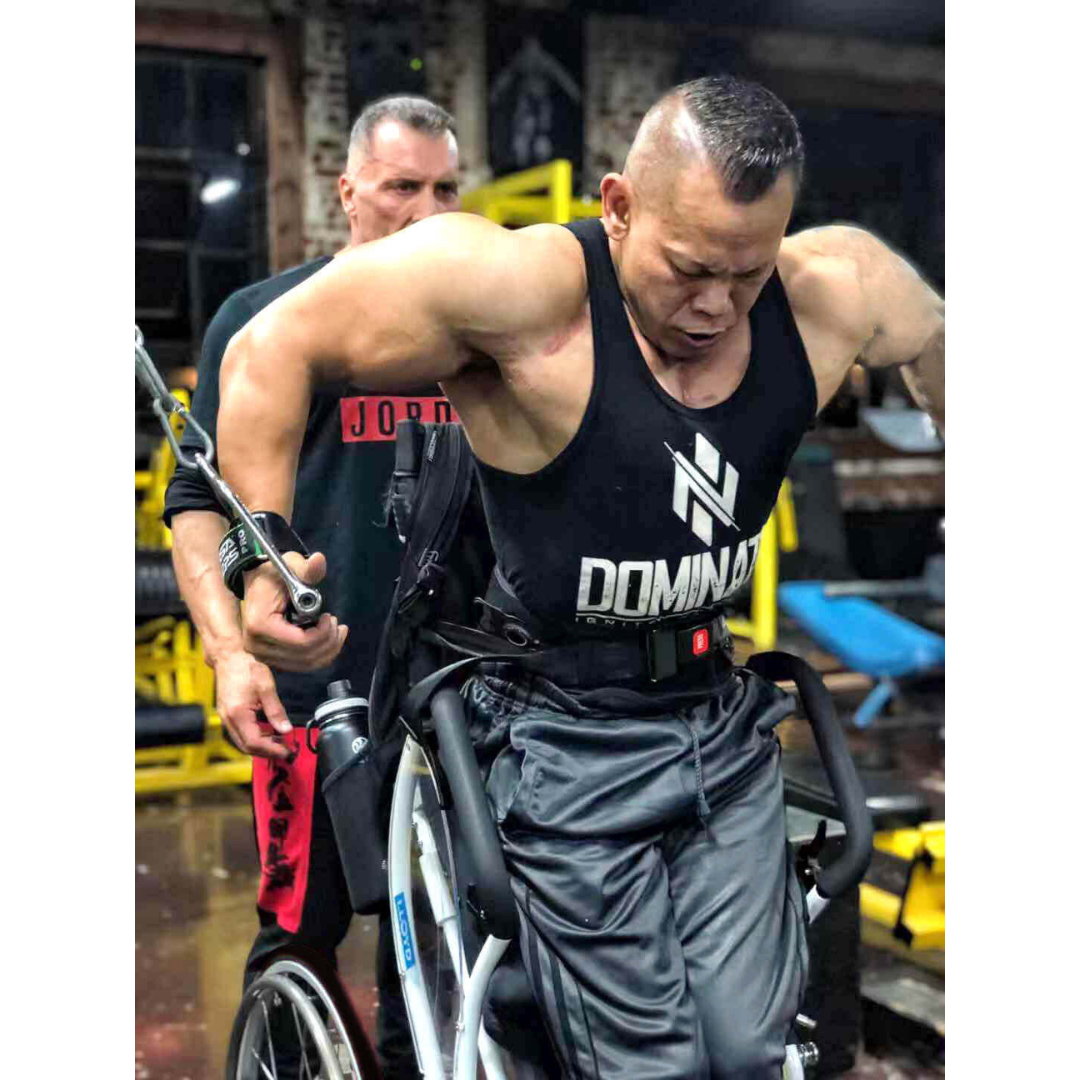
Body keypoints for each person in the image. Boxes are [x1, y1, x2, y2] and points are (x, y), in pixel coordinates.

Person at [215, 74, 944, 1079]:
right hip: (557, 731)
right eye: (689, 267)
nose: (715, 304)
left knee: (751, 1053)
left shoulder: (829, 293)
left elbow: (939, 335)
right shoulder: (519, 290)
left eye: (746, 272)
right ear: (617, 207)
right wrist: (257, 563)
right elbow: (268, 347)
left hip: (718, 719)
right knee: (651, 1065)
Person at [162, 94, 462, 1080]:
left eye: (446, 188)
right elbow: (196, 499)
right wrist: (226, 654)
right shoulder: (265, 321)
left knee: (449, 946)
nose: (426, 210)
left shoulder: (486, 337)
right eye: (400, 187)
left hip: (458, 697)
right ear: (347, 193)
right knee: (299, 935)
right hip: (315, 696)